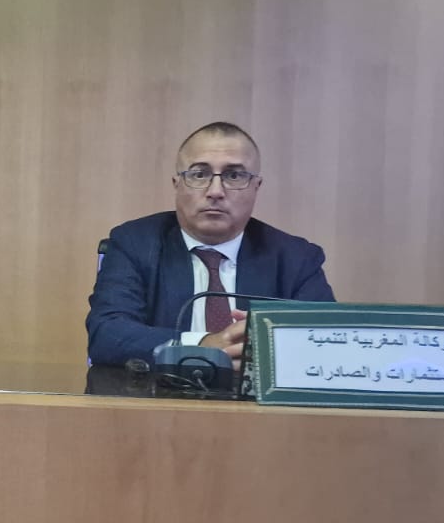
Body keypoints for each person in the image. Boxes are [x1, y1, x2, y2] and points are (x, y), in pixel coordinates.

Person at [86, 122, 334, 368]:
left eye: (234, 176)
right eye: (199, 174)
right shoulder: (135, 243)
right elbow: (107, 335)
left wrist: (270, 344)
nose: (215, 191)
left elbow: (329, 344)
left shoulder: (296, 258)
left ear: (256, 187)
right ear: (177, 184)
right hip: (158, 393)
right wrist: (204, 345)